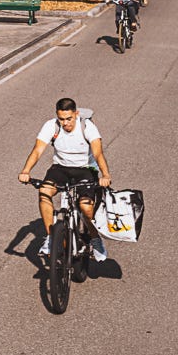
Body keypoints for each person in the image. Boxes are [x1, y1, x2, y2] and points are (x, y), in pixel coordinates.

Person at [18, 96, 112, 265]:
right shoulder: (51, 126)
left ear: (76, 114)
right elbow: (38, 151)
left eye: (69, 119)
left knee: (85, 206)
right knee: (44, 192)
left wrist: (105, 175)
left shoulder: (87, 127)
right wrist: (26, 171)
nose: (66, 123)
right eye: (62, 119)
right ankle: (51, 238)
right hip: (60, 168)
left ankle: (95, 238)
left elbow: (98, 154)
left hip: (85, 169)